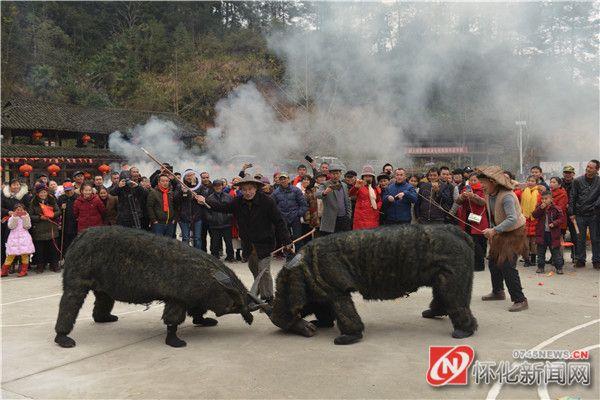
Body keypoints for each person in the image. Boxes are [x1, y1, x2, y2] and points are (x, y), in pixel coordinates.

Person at [203, 176, 291, 303]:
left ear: (255, 189)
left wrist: (287, 240)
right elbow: (222, 207)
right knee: (253, 267)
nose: (247, 192)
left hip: (265, 241)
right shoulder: (238, 201)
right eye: (244, 190)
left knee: (263, 270)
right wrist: (204, 201)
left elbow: (279, 221)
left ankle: (268, 298)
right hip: (248, 243)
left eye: (250, 189)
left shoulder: (267, 201)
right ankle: (259, 291)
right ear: (241, 190)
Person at [476, 166, 528, 312]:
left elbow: (512, 219)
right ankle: (498, 291)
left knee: (507, 265)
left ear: (493, 182)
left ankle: (520, 299)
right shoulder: (488, 193)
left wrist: (494, 230)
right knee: (493, 261)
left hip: (514, 232)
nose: (481, 185)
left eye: (483, 182)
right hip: (500, 231)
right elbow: (489, 208)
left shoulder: (507, 196)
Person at [569, 159, 600, 269]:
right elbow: (572, 197)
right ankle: (580, 259)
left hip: (594, 214)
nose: (588, 169)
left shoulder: (599, 181)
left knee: (595, 238)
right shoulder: (577, 181)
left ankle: (597, 260)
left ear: (597, 169)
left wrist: (596, 206)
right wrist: (571, 213)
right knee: (580, 238)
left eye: (591, 167)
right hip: (580, 214)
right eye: (587, 166)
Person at [456, 173, 489, 271]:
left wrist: (473, 196)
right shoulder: (465, 189)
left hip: (478, 219)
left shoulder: (483, 190)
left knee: (478, 242)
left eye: (475, 180)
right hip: (466, 218)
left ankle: (479, 265)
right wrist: (462, 196)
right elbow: (457, 201)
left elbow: (483, 202)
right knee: (469, 241)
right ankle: (471, 263)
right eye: (471, 180)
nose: (473, 182)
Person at [272, 172, 308, 257]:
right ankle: (289, 256)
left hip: (295, 217)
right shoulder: (275, 193)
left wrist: (298, 214)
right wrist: (278, 216)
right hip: (283, 219)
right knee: (285, 239)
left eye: (285, 178)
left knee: (297, 237)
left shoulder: (296, 190)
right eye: (281, 179)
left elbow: (304, 205)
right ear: (279, 181)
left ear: (288, 179)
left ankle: (299, 256)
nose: (283, 180)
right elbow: (272, 206)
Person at [29, 183, 61, 273]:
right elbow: (30, 215)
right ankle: (40, 266)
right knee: (40, 250)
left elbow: (58, 211)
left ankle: (54, 264)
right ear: (37, 193)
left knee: (53, 248)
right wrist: (39, 218)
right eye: (41, 193)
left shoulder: (51, 199)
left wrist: (52, 215)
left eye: (44, 192)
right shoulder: (33, 202)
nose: (43, 194)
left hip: (51, 227)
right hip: (39, 228)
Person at [532, 191, 565, 274]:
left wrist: (554, 223)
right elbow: (534, 215)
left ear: (551, 199)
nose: (544, 200)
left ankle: (559, 267)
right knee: (540, 251)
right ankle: (540, 267)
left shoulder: (557, 208)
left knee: (555, 251)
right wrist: (540, 208)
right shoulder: (539, 207)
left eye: (546, 199)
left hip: (553, 234)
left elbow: (561, 219)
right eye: (542, 199)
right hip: (542, 233)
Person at [316, 164, 352, 235]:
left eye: (337, 173)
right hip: (331, 220)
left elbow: (347, 201)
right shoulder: (325, 184)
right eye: (333, 174)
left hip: (344, 218)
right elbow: (317, 194)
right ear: (329, 174)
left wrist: (348, 215)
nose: (335, 176)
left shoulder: (344, 185)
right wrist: (325, 192)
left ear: (340, 174)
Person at [1, 203, 35, 277]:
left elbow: (27, 226)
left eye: (21, 210)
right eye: (17, 210)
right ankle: (4, 271)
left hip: (24, 238)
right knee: (10, 255)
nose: (19, 211)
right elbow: (11, 226)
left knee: (24, 255)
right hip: (14, 238)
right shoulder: (12, 217)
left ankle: (24, 271)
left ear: (24, 210)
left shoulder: (26, 217)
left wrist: (25, 217)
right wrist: (15, 217)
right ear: (14, 211)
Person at [2, 179, 31, 263]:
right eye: (14, 184)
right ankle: (11, 264)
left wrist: (24, 214)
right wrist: (8, 212)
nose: (16, 186)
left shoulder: (25, 195)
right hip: (9, 223)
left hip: (23, 223)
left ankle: (24, 264)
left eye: (17, 184)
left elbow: (29, 207)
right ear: (10, 186)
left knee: (23, 244)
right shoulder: (4, 195)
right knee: (10, 244)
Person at [206, 180, 234, 261]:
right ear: (213, 187)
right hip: (215, 225)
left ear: (222, 186)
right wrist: (211, 219)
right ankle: (214, 256)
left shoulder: (228, 197)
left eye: (219, 185)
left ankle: (230, 256)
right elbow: (206, 211)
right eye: (216, 186)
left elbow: (232, 209)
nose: (218, 187)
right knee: (214, 242)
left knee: (228, 242)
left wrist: (228, 216)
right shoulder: (209, 198)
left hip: (227, 223)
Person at [349, 165, 381, 230]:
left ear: (373, 178)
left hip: (373, 216)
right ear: (363, 177)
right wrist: (355, 187)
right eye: (366, 176)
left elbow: (379, 200)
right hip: (361, 218)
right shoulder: (359, 186)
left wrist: (377, 206)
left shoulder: (376, 188)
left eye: (370, 176)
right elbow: (350, 194)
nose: (368, 178)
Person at [178, 171, 205, 249]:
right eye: (188, 176)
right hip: (184, 216)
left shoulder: (200, 186)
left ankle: (198, 255)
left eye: (191, 175)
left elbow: (204, 199)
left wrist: (201, 199)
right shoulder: (180, 185)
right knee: (185, 238)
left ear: (195, 175)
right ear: (185, 177)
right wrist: (183, 193)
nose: (190, 177)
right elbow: (176, 200)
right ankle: (185, 255)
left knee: (197, 238)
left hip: (197, 216)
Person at [521, 175, 542, 267]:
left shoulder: (539, 193)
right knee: (525, 243)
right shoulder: (522, 192)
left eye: (532, 181)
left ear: (536, 183)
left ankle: (533, 259)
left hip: (535, 220)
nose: (530, 182)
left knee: (534, 243)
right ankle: (526, 259)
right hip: (525, 219)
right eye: (529, 180)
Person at [56, 182, 78, 254]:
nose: (69, 192)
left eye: (70, 190)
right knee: (65, 242)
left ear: (73, 189)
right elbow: (57, 211)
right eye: (66, 191)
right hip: (65, 224)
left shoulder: (78, 197)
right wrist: (61, 208)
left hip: (76, 223)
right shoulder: (61, 198)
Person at [561, 165, 577, 261]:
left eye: (569, 173)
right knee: (560, 234)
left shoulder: (577, 183)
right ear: (563, 173)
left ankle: (575, 255)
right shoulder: (559, 183)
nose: (567, 175)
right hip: (561, 213)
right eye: (566, 172)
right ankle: (558, 256)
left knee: (574, 234)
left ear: (573, 174)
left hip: (573, 213)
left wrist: (571, 207)